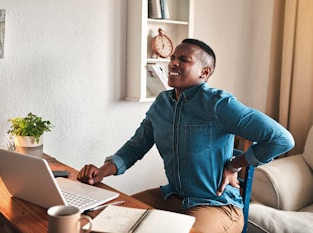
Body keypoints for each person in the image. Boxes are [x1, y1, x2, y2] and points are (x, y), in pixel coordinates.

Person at [77, 38, 295, 233]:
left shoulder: (219, 104)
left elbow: (281, 139)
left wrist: (234, 164)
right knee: (100, 218)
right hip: (172, 197)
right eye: (172, 58)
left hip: (215, 205)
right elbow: (136, 146)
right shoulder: (161, 104)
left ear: (204, 72)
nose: (173, 63)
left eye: (184, 59)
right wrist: (102, 171)